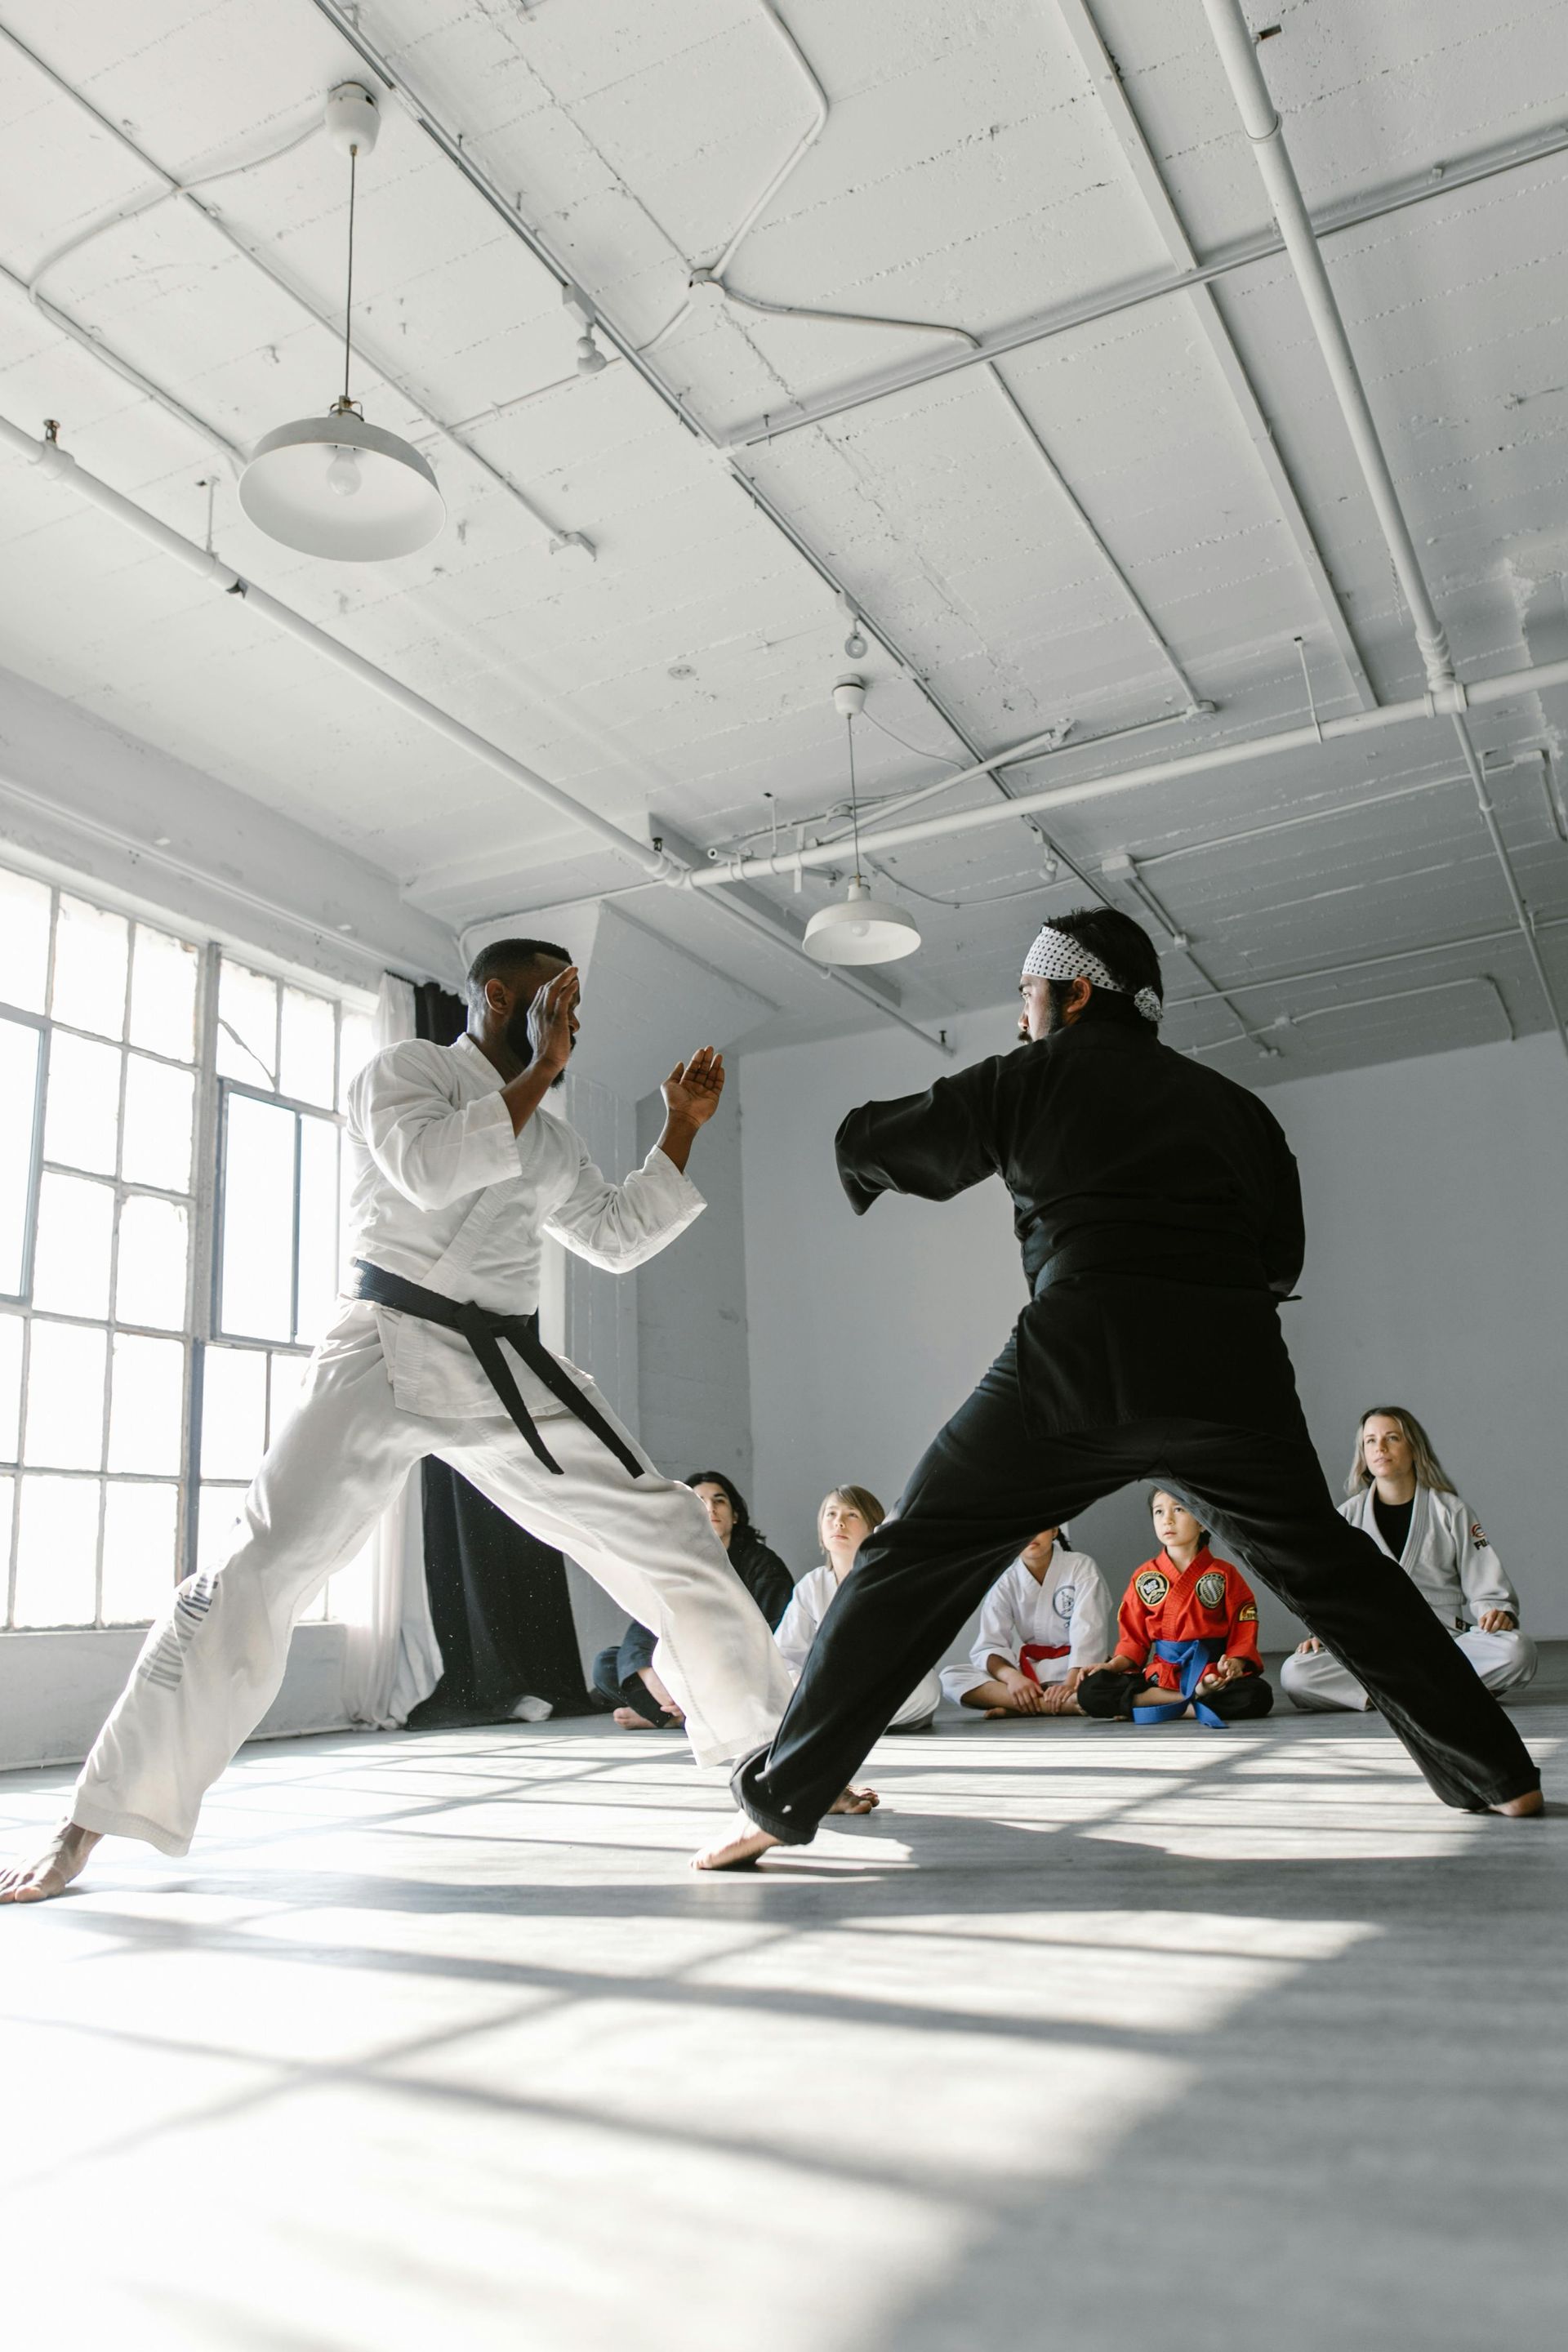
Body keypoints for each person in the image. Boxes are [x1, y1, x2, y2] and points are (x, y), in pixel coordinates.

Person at [696, 906, 1540, 1869]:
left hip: (1077, 1364)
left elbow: (884, 1144)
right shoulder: (1241, 1111)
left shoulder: (1030, 1077)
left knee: (909, 1556)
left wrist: (852, 1139)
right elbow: (1277, 1259)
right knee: (1338, 1575)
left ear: (1075, 992)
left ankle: (780, 1799)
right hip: (1236, 1373)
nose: (1021, 1018)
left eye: (1028, 996)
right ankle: (1499, 1772)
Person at [2, 939, 797, 1903]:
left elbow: (617, 1236)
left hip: (505, 1362)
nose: (572, 1023)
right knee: (254, 1568)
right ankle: (89, 1824)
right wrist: (543, 1068)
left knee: (671, 1525)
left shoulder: (552, 1137)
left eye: (577, 1011)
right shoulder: (406, 1072)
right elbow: (426, 1171)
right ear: (500, 997)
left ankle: (775, 1767)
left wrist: (679, 1129)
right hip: (383, 1342)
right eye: (559, 1002)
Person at [1283, 1406, 1538, 1712]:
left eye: (1392, 1438)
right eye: (1370, 1441)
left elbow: (1483, 1575)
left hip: (1443, 1642)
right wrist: (1320, 1634)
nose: (1380, 1448)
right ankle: (1443, 1690)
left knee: (1518, 1651)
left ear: (1414, 1447)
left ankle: (1392, 1694)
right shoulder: (1347, 1517)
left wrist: (1496, 1610)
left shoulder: (1450, 1510)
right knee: (1296, 1673)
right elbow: (1329, 1590)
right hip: (1372, 1645)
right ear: (1363, 1455)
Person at [594, 1472, 795, 1730]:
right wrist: (652, 1678)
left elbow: (778, 1632)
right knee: (607, 1664)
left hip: (737, 1667)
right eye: (700, 1502)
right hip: (687, 1668)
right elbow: (645, 1627)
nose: (710, 1508)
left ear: (734, 1515)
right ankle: (681, 1714)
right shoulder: (675, 1561)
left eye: (719, 1501)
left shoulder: (762, 1563)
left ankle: (669, 1717)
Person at [1076, 1490, 1272, 1724]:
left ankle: (1158, 1703)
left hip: (1209, 1672)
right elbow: (1134, 1642)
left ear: (1201, 1522)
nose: (1167, 1519)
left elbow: (1243, 1627)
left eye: (1179, 1509)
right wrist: (1110, 1666)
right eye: (1159, 1512)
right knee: (1090, 1690)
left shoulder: (1224, 1573)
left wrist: (1234, 1663)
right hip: (1162, 1675)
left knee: (1258, 1695)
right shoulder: (1144, 1576)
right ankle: (1190, 1703)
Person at [773, 1487, 942, 1734]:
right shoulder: (813, 1585)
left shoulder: (891, 1580)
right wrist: (800, 1684)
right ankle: (842, 1719)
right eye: (831, 1514)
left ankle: (835, 1720)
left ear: (873, 1528)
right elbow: (785, 1654)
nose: (839, 1523)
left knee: (927, 1688)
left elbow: (906, 1655)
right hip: (828, 1692)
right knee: (775, 1685)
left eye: (852, 1515)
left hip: (878, 1689)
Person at [940, 1526, 1112, 1716]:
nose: (1031, 1536)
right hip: (1033, 1671)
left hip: (1077, 1669)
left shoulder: (1080, 1566)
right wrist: (1013, 1678)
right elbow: (989, 1645)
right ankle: (1057, 1706)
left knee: (1108, 1684)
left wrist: (1070, 1684)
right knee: (951, 1678)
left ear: (1054, 1531)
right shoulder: (1006, 1581)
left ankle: (1020, 1706)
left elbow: (1088, 1629)